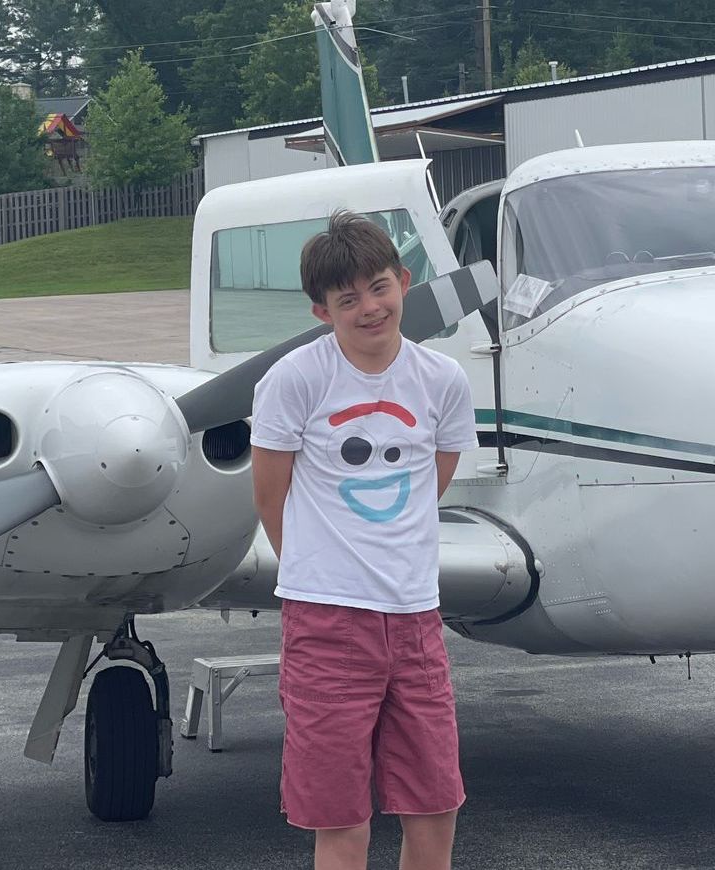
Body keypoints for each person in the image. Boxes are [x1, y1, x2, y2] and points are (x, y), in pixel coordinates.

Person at [250, 210, 477, 870]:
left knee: (435, 805)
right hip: (327, 623)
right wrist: (323, 570)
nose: (369, 308)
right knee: (340, 815)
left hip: (415, 620)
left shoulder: (442, 381)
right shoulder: (294, 380)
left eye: (379, 287)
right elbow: (271, 497)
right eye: (346, 299)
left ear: (404, 282)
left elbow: (427, 482)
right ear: (321, 311)